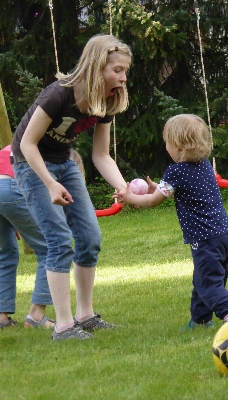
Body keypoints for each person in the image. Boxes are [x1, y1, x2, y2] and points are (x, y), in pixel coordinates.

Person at [11, 34, 132, 340]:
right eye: (117, 70)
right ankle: (64, 326)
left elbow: (101, 155)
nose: (123, 77)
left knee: (90, 238)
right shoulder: (58, 95)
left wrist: (123, 186)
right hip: (30, 163)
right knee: (60, 239)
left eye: (125, 71)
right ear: (96, 65)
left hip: (64, 163)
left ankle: (86, 316)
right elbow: (26, 144)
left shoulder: (106, 101)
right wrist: (50, 184)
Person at [114, 114, 228, 330]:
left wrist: (129, 198)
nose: (166, 147)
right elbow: (187, 192)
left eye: (167, 143)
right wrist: (160, 189)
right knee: (202, 278)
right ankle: (200, 320)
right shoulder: (204, 165)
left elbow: (153, 202)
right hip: (223, 234)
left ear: (180, 146)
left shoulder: (176, 171)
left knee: (208, 283)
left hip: (205, 238)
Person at [0, 144, 54, 329]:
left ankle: (1, 317)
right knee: (51, 248)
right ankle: (36, 316)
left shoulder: (17, 144)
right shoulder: (52, 148)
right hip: (12, 187)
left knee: (5, 253)